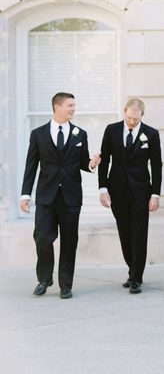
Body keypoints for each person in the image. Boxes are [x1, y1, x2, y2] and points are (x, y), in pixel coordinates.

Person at [20, 92, 101, 299]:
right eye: (70, 106)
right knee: (42, 238)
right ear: (57, 107)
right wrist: (25, 195)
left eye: (74, 105)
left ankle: (66, 284)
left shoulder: (80, 134)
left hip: (71, 197)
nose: (73, 109)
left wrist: (92, 164)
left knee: (69, 241)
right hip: (46, 196)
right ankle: (44, 279)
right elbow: (31, 166)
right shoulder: (38, 134)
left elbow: (84, 163)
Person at [98, 98, 162, 294]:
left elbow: (157, 165)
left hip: (141, 192)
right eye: (128, 118)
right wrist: (103, 189)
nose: (131, 122)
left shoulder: (151, 134)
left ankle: (136, 277)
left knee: (139, 234)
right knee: (124, 233)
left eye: (135, 119)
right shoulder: (111, 130)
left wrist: (155, 194)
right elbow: (104, 160)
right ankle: (132, 269)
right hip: (117, 190)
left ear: (142, 115)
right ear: (124, 112)